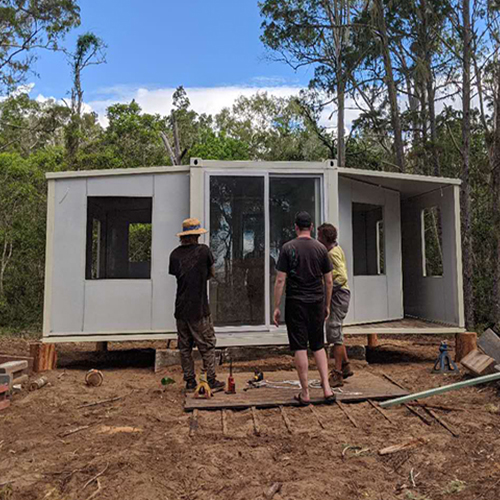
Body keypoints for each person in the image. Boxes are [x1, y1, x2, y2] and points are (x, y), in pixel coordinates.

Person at [273, 211, 335, 404]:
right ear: (311, 226)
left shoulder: (287, 248)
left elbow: (281, 279)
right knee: (318, 345)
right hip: (316, 301)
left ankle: (306, 393)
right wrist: (327, 305)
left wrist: (276, 306)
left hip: (296, 302)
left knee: (300, 346)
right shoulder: (321, 249)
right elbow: (329, 281)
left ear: (296, 227)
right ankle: (326, 389)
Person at [169, 218, 225, 392]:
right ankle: (210, 379)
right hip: (199, 308)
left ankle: (190, 381)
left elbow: (178, 276)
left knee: (184, 347)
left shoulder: (175, 254)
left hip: (180, 309)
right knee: (207, 344)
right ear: (197, 235)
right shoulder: (204, 251)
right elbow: (211, 273)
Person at [317, 223, 353, 387]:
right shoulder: (335, 250)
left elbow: (342, 277)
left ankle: (337, 374)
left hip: (339, 296)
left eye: (319, 236)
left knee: (334, 331)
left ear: (324, 238)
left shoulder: (332, 254)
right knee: (337, 331)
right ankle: (346, 366)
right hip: (340, 295)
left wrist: (328, 290)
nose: (317, 239)